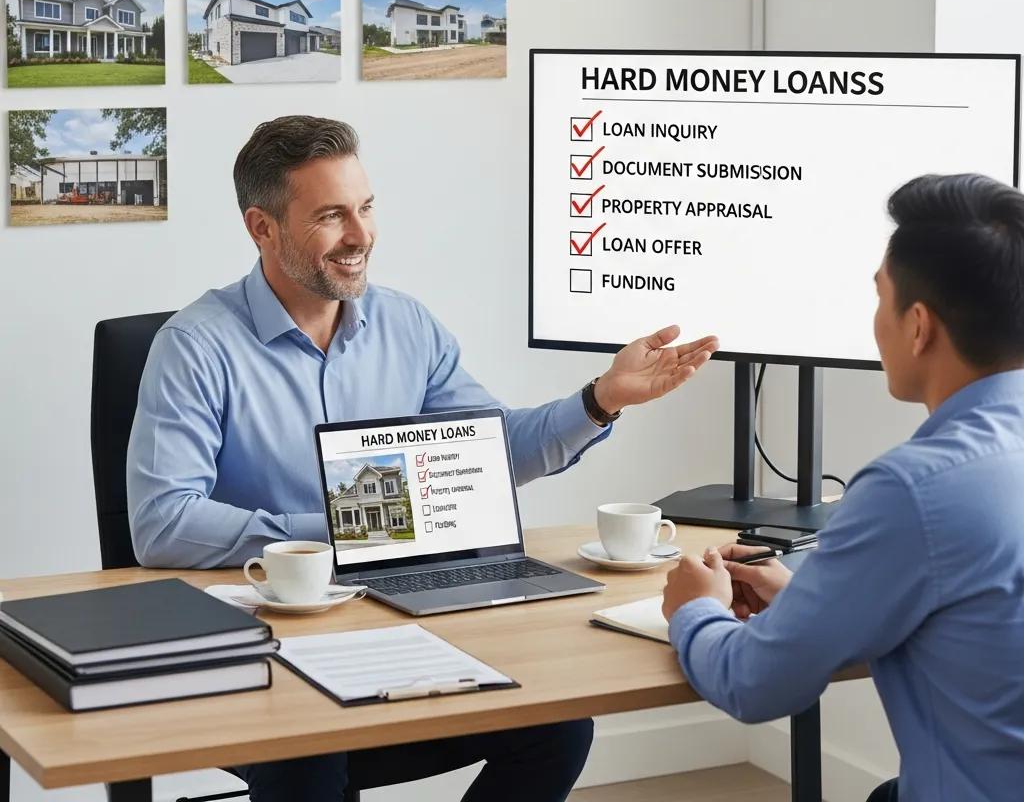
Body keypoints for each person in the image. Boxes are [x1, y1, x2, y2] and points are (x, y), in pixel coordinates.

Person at [127, 114, 718, 802]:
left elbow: (491, 451)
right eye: (330, 216)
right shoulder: (195, 348)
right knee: (309, 762)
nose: (360, 236)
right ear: (263, 228)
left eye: (366, 207)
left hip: (398, 626)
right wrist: (346, 533)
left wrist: (601, 398)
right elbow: (162, 523)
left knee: (559, 728)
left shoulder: (406, 325)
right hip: (271, 659)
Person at [660, 173, 1024, 802]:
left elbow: (754, 683)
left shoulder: (914, 488)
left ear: (918, 326)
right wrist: (811, 599)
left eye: (879, 298)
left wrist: (694, 606)